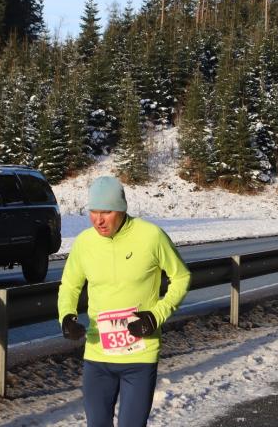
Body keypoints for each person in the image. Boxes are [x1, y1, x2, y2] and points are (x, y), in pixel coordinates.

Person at [57, 176, 191, 427]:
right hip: (98, 355)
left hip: (139, 356)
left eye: (106, 212)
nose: (99, 219)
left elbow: (181, 276)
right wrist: (66, 316)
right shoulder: (84, 243)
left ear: (121, 209)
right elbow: (70, 286)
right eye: (93, 212)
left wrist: (156, 315)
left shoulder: (151, 236)